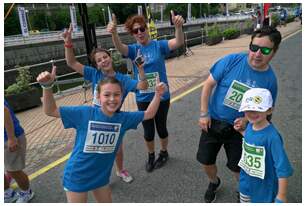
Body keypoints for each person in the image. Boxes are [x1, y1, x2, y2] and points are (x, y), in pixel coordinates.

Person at [36, 66, 166, 202]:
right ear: (98, 96)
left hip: (101, 176)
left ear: (122, 96)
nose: (112, 99)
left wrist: (157, 95)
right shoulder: (84, 113)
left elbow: (149, 114)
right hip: (77, 175)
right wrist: (47, 87)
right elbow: (50, 110)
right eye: (107, 94)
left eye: (117, 94)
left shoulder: (123, 119)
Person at [197, 26, 281, 203]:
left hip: (241, 130)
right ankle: (214, 182)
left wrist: (247, 121)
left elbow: (267, 111)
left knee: (239, 167)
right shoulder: (231, 61)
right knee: (206, 161)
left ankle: (243, 191)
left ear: (274, 52)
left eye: (265, 50)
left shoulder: (270, 81)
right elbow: (207, 85)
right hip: (213, 121)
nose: (257, 54)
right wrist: (204, 114)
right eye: (254, 47)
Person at [62, 24, 149, 183]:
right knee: (93, 150)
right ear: (96, 65)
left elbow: (143, 86)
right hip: (93, 119)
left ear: (110, 57)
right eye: (99, 60)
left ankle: (120, 170)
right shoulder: (94, 74)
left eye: (105, 57)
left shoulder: (122, 79)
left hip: (114, 119)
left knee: (117, 149)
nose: (103, 61)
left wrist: (141, 70)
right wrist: (68, 42)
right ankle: (99, 176)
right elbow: (72, 63)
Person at [107, 11, 184, 172]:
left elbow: (178, 42)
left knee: (161, 127)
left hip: (161, 95)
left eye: (142, 29)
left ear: (147, 29)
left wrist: (178, 27)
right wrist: (114, 33)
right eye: (135, 31)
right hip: (143, 97)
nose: (140, 32)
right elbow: (120, 47)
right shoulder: (134, 50)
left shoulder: (158, 45)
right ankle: (151, 155)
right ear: (133, 34)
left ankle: (164, 152)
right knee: (148, 131)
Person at [236, 88, 293, 203]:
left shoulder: (273, 137)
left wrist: (281, 195)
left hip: (264, 189)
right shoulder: (250, 126)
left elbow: (282, 168)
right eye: (248, 109)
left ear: (269, 110)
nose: (252, 113)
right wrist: (242, 132)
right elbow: (252, 140)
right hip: (245, 183)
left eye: (257, 109)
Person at [4, 100, 35, 203]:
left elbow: (4, 112)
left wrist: (11, 138)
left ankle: (26, 192)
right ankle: (8, 192)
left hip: (8, 138)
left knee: (13, 171)